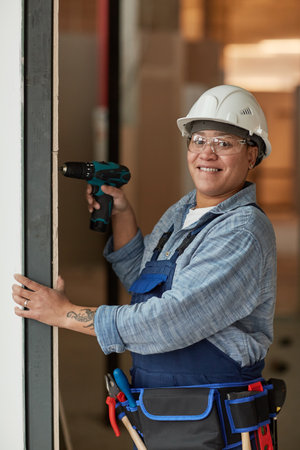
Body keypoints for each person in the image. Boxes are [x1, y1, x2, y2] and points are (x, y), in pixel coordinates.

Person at [12, 85, 277, 447]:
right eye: (198, 140)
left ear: (252, 155)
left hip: (218, 424)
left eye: (225, 143)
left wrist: (65, 314)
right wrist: (121, 213)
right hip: (166, 415)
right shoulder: (182, 212)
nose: (207, 153)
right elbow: (144, 282)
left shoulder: (242, 231)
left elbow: (172, 321)